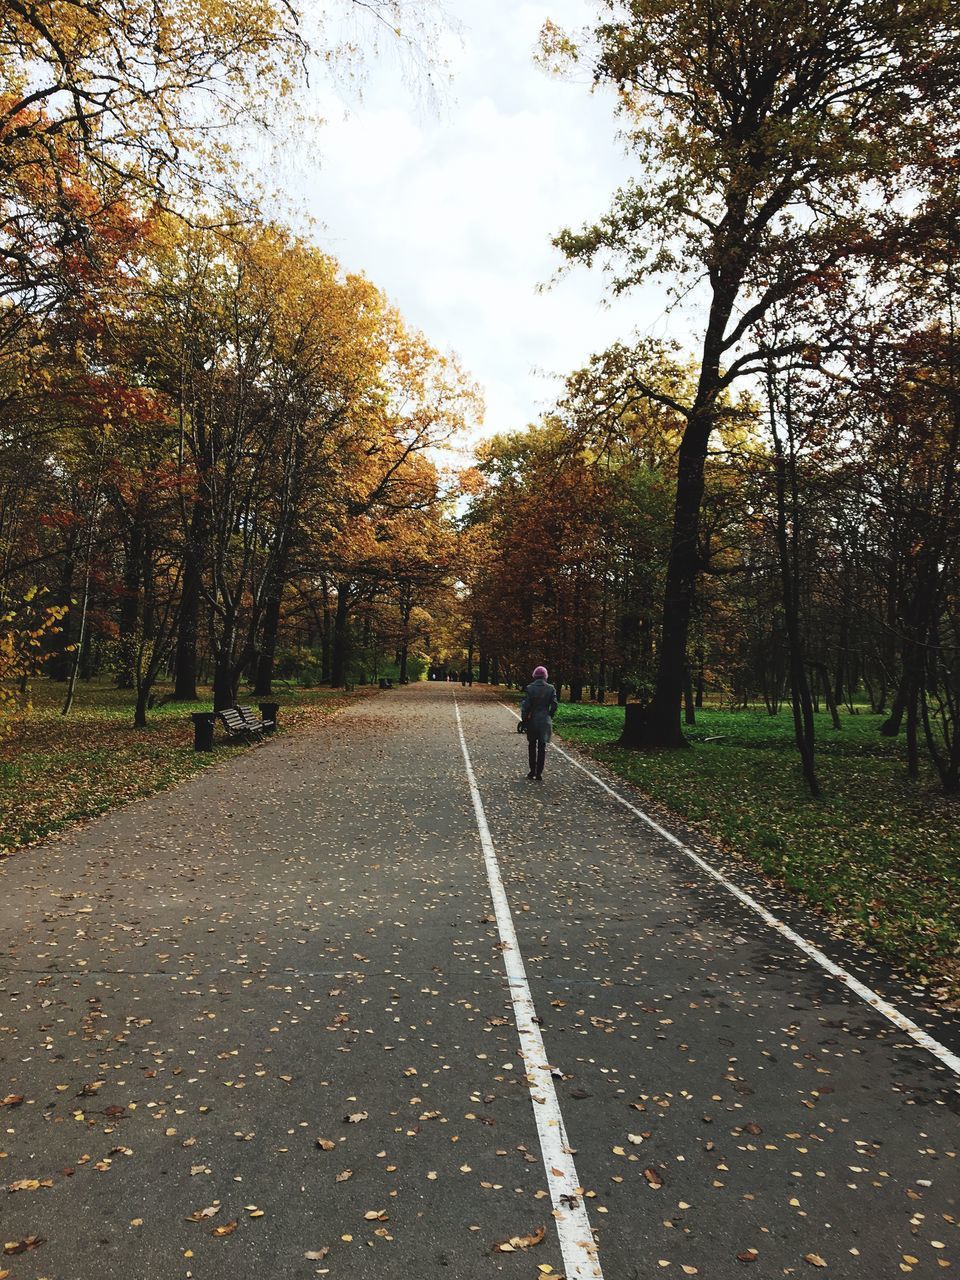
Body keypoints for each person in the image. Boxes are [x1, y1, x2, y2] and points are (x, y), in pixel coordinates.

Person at [520, 664, 558, 782]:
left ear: (535, 676)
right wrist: (549, 715)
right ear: (545, 676)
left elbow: (526, 706)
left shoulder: (529, 688)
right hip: (545, 721)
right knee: (542, 746)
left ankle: (532, 771)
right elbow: (555, 704)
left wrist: (524, 719)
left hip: (533, 720)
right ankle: (539, 773)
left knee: (532, 745)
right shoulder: (551, 688)